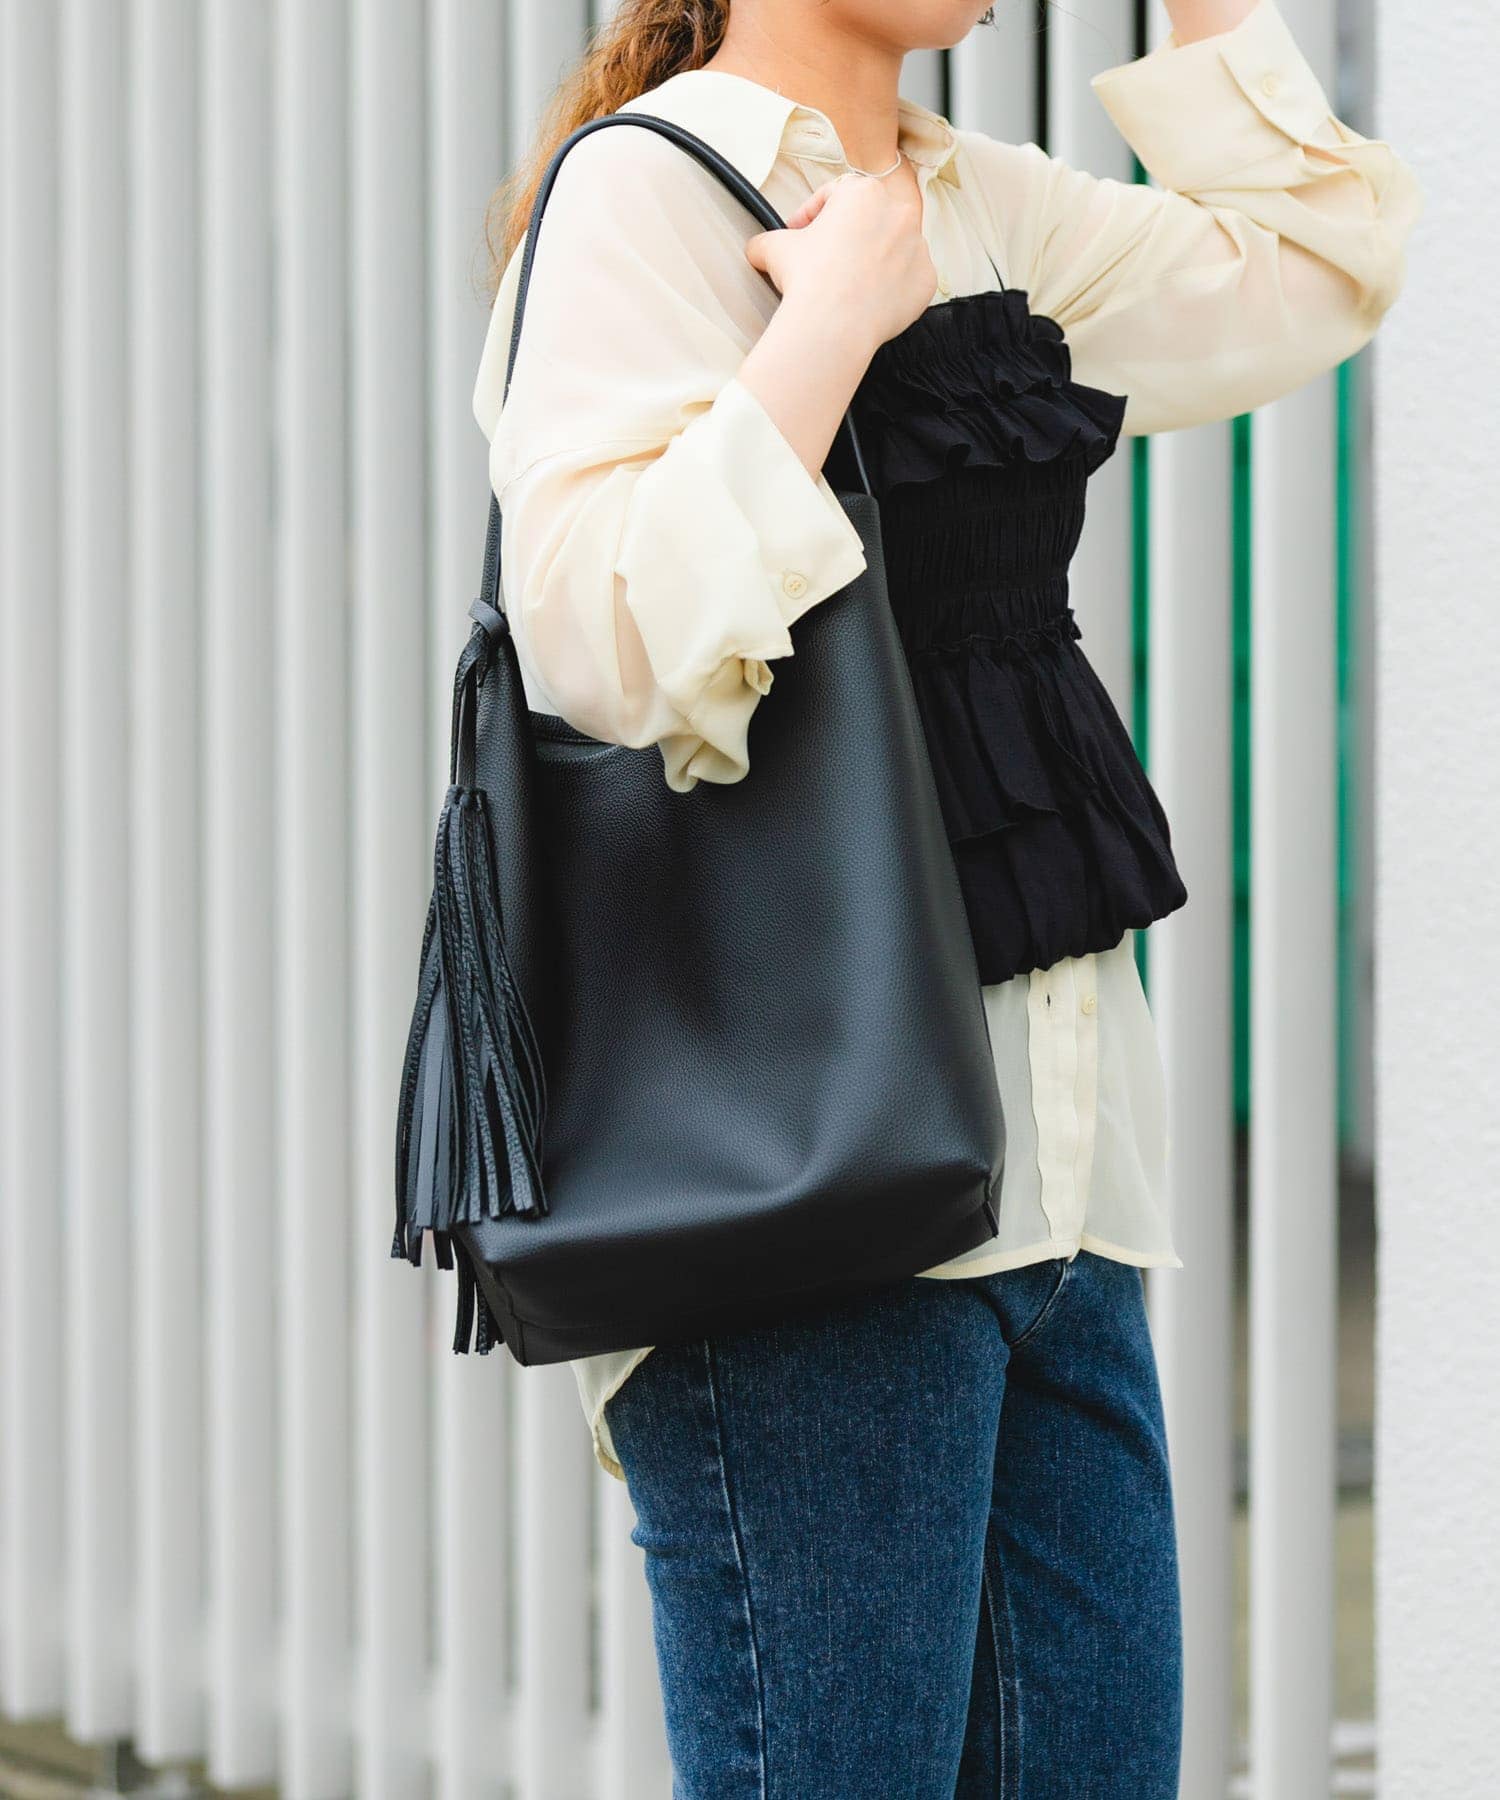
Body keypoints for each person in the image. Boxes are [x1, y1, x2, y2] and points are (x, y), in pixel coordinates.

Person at [470, 0, 1422, 1792]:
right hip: (813, 1197)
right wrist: (828, 323)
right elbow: (598, 640)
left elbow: (1317, 264)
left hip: (1066, 1194)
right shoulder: (647, 191)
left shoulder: (987, 203)